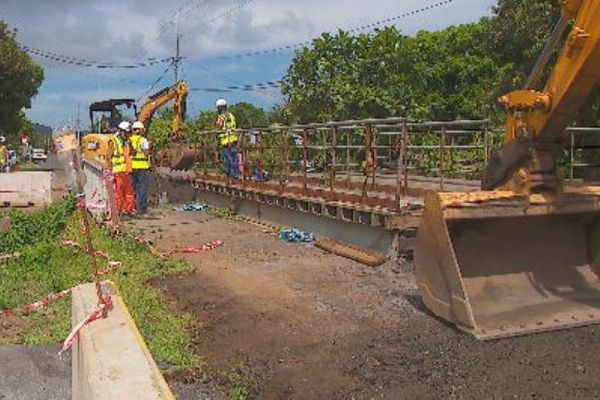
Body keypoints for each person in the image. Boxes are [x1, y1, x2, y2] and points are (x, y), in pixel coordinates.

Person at [107, 121, 136, 216]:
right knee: (119, 193)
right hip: (117, 171)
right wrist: (110, 172)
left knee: (129, 192)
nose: (128, 134)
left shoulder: (128, 142)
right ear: (121, 131)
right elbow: (108, 157)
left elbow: (133, 153)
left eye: (129, 132)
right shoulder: (113, 142)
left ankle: (129, 209)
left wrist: (130, 145)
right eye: (127, 132)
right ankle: (118, 211)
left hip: (126, 171)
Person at [130, 121, 150, 215]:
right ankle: (140, 208)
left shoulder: (129, 140)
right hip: (142, 166)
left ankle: (132, 207)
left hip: (132, 166)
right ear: (141, 130)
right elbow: (146, 153)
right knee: (141, 187)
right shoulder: (143, 140)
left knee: (133, 187)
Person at [215, 99, 239, 178]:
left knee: (227, 159)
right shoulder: (231, 115)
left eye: (218, 108)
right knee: (234, 158)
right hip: (234, 140)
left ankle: (228, 174)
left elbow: (219, 126)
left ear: (221, 108)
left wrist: (216, 132)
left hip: (226, 141)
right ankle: (235, 174)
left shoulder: (221, 116)